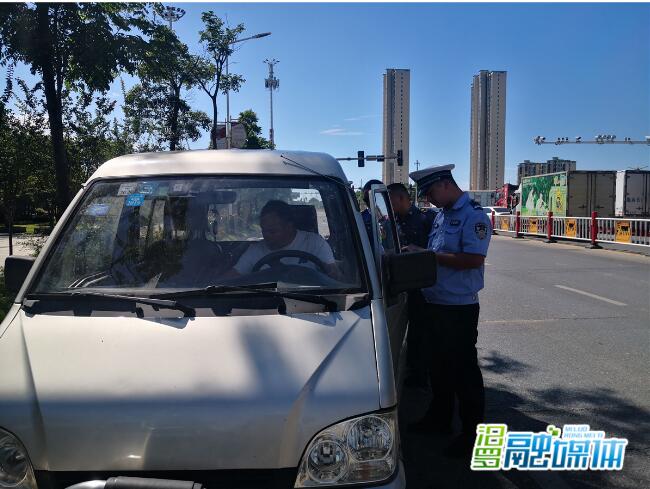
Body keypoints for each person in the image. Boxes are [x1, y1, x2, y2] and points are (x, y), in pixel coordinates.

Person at [405, 164, 492, 459]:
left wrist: (428, 255)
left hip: (458, 308)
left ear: (445, 184)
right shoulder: (442, 214)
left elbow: (473, 259)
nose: (428, 200)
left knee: (464, 372)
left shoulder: (474, 216)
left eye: (430, 193)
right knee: (438, 368)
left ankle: (472, 436)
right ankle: (439, 419)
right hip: (435, 302)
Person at [387, 183, 436, 388]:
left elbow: (434, 252)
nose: (388, 204)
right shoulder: (391, 220)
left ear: (400, 198)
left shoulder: (426, 219)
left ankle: (419, 375)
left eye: (390, 199)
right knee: (396, 329)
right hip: (397, 285)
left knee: (419, 332)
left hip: (420, 286)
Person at [226, 200, 338, 277]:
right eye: (264, 230)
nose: (266, 235)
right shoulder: (255, 250)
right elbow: (232, 277)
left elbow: (334, 275)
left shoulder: (315, 243)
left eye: (272, 231)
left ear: (289, 226)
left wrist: (332, 272)